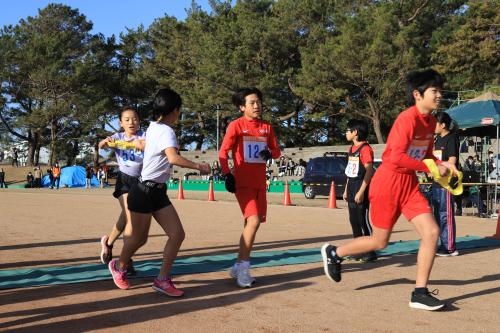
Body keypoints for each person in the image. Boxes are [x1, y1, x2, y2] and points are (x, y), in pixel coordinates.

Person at [320, 69, 458, 311]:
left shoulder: (431, 122)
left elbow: (424, 155)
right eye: (434, 91)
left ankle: (420, 293)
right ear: (418, 94)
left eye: (439, 91)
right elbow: (394, 157)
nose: (439, 95)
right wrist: (429, 167)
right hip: (388, 183)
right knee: (380, 241)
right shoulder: (407, 119)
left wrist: (440, 165)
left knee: (432, 231)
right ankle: (335, 252)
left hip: (409, 185)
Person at [108, 88, 210, 297]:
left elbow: (145, 144)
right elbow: (173, 158)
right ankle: (118, 265)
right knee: (138, 239)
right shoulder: (166, 131)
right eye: (179, 110)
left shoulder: (154, 127)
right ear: (174, 110)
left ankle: (162, 279)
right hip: (144, 191)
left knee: (177, 234)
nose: (179, 114)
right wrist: (199, 167)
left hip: (157, 191)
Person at [219, 87, 281, 288]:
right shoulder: (236, 126)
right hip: (243, 184)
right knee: (253, 222)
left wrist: (270, 154)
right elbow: (223, 152)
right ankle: (244, 269)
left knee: (252, 225)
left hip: (260, 184)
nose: (257, 105)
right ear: (241, 107)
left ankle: (238, 265)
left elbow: (277, 151)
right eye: (252, 102)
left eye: (258, 102)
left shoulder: (267, 127)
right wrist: (227, 174)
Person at [99, 106, 146, 271]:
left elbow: (149, 147)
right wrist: (105, 143)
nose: (131, 122)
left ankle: (108, 243)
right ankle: (127, 261)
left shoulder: (144, 136)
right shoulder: (117, 137)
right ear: (121, 123)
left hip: (140, 182)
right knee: (131, 219)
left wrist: (137, 145)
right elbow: (101, 145)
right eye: (127, 120)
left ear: (139, 121)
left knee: (125, 218)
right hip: (124, 180)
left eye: (134, 119)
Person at [343, 119, 376, 262]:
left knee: (363, 220)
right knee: (353, 220)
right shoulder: (351, 149)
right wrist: (346, 189)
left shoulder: (366, 149)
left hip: (361, 187)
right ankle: (358, 250)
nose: (346, 133)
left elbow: (369, 171)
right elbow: (350, 172)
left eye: (347, 130)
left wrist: (361, 191)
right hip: (351, 187)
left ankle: (370, 251)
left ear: (355, 132)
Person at [431, 111, 460, 257]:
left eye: (434, 123)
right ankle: (442, 243)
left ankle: (450, 247)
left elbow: (452, 162)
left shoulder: (451, 138)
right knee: (437, 214)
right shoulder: (436, 140)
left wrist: (441, 168)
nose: (432, 126)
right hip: (436, 183)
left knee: (445, 215)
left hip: (447, 184)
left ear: (442, 125)